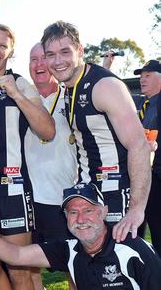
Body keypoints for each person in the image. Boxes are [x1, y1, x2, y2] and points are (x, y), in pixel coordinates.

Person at [41, 21, 151, 242]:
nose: (58, 61)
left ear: (80, 50)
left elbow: (138, 144)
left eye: (65, 52)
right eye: (51, 54)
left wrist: (136, 210)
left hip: (118, 193)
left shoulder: (105, 86)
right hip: (91, 194)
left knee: (120, 271)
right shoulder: (70, 88)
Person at [0, 24, 55, 289]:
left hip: (12, 192)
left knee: (20, 271)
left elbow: (48, 130)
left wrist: (16, 95)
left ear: (10, 51)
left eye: (2, 46)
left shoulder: (19, 83)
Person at [0, 183, 161, 290]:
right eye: (73, 212)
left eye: (88, 210)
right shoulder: (68, 250)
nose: (81, 219)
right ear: (65, 218)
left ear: (104, 212)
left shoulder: (133, 249)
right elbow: (16, 255)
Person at [26, 42, 78, 290]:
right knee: (29, 267)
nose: (39, 65)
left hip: (63, 198)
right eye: (33, 59)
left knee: (73, 264)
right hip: (28, 200)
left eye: (43, 58)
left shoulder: (71, 97)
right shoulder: (21, 99)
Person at [133, 60, 161, 253]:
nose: (142, 79)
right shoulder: (142, 102)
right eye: (141, 75)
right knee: (136, 229)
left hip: (158, 177)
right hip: (141, 175)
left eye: (148, 75)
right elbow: (115, 92)